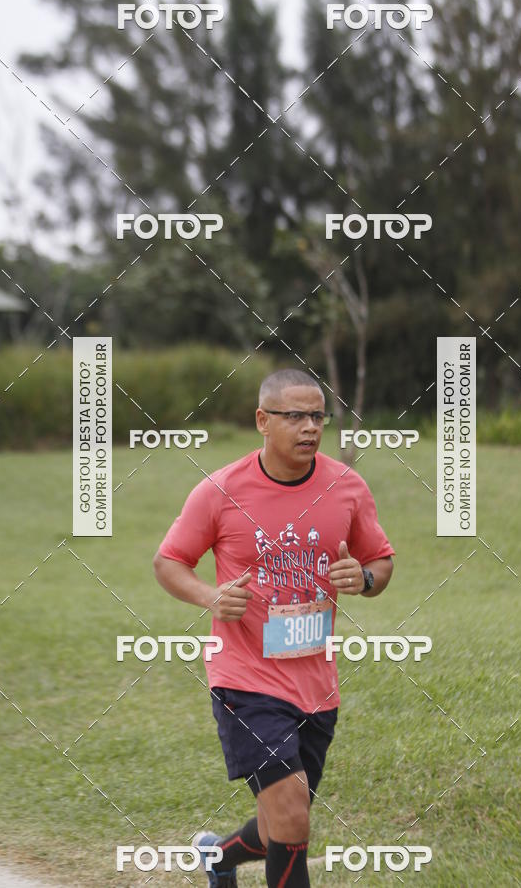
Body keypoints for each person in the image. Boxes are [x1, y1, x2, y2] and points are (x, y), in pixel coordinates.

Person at [153, 369, 394, 887]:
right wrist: (210, 596)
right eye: (295, 416)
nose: (310, 427)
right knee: (290, 816)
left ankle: (218, 857)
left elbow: (380, 562)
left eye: (317, 416)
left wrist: (366, 577)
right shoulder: (220, 491)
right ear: (263, 420)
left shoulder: (346, 486)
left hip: (315, 684)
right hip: (244, 680)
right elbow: (169, 562)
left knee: (284, 823)